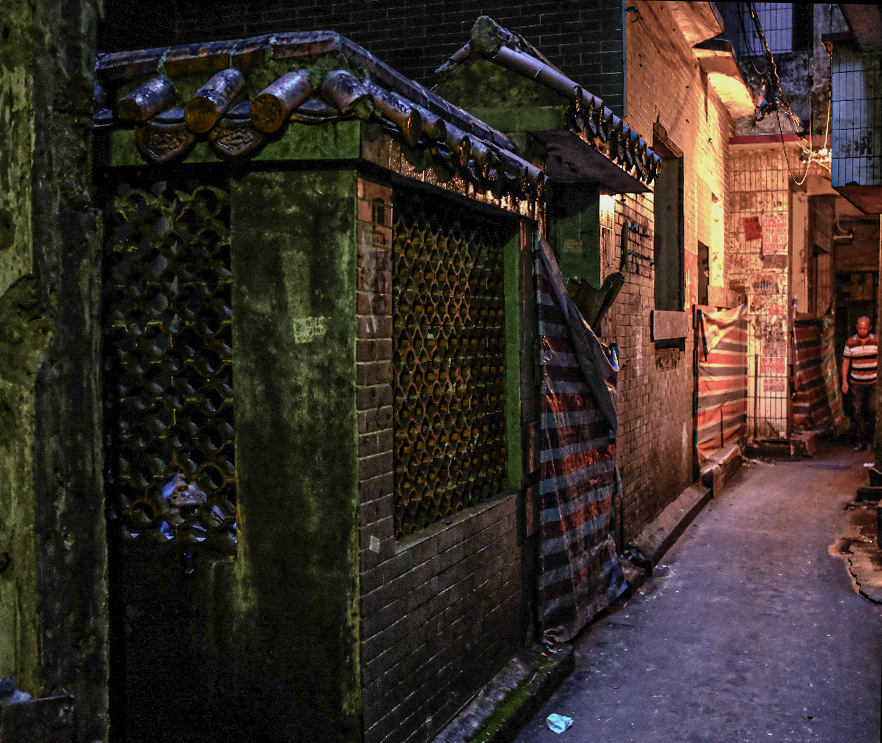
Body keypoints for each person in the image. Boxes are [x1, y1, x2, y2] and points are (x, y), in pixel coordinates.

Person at [841, 316, 877, 451]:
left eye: (865, 328)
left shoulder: (877, 341)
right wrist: (844, 381)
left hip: (873, 382)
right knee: (858, 411)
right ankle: (862, 441)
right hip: (856, 383)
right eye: (860, 328)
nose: (862, 331)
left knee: (872, 410)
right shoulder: (850, 342)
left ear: (870, 328)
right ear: (857, 327)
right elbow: (846, 362)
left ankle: (871, 440)